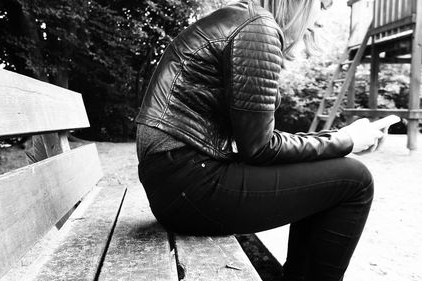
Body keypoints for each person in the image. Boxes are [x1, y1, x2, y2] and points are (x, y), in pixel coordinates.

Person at [135, 0, 384, 280]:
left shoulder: (244, 19)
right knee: (355, 179)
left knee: (331, 176)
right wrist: (346, 141)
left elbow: (258, 143)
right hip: (188, 185)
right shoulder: (257, 26)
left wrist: (339, 139)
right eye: (324, 6)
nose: (323, 20)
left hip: (175, 181)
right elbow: (260, 148)